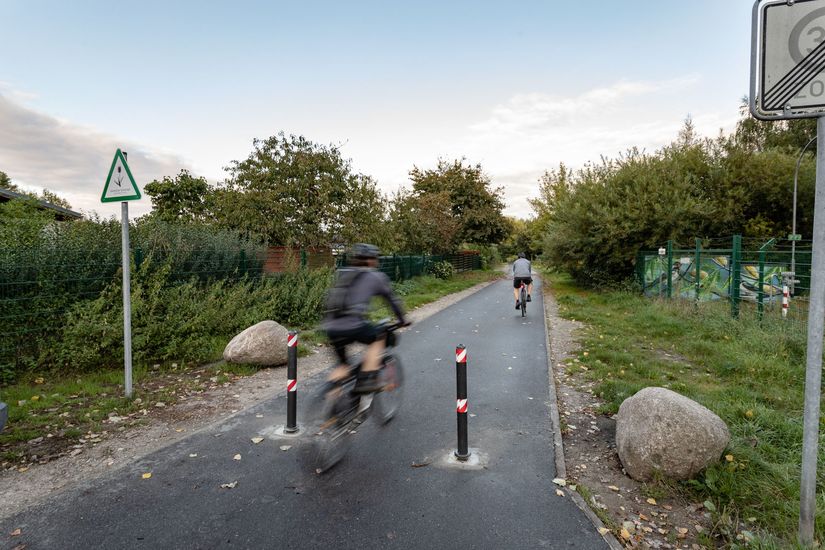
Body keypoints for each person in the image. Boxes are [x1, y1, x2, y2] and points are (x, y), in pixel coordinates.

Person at [323, 243, 409, 394]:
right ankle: (366, 379)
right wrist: (402, 319)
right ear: (371, 260)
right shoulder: (375, 277)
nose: (377, 261)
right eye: (376, 258)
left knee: (343, 367)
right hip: (353, 326)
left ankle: (330, 410)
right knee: (379, 336)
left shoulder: (342, 273)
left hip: (331, 327)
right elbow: (392, 301)